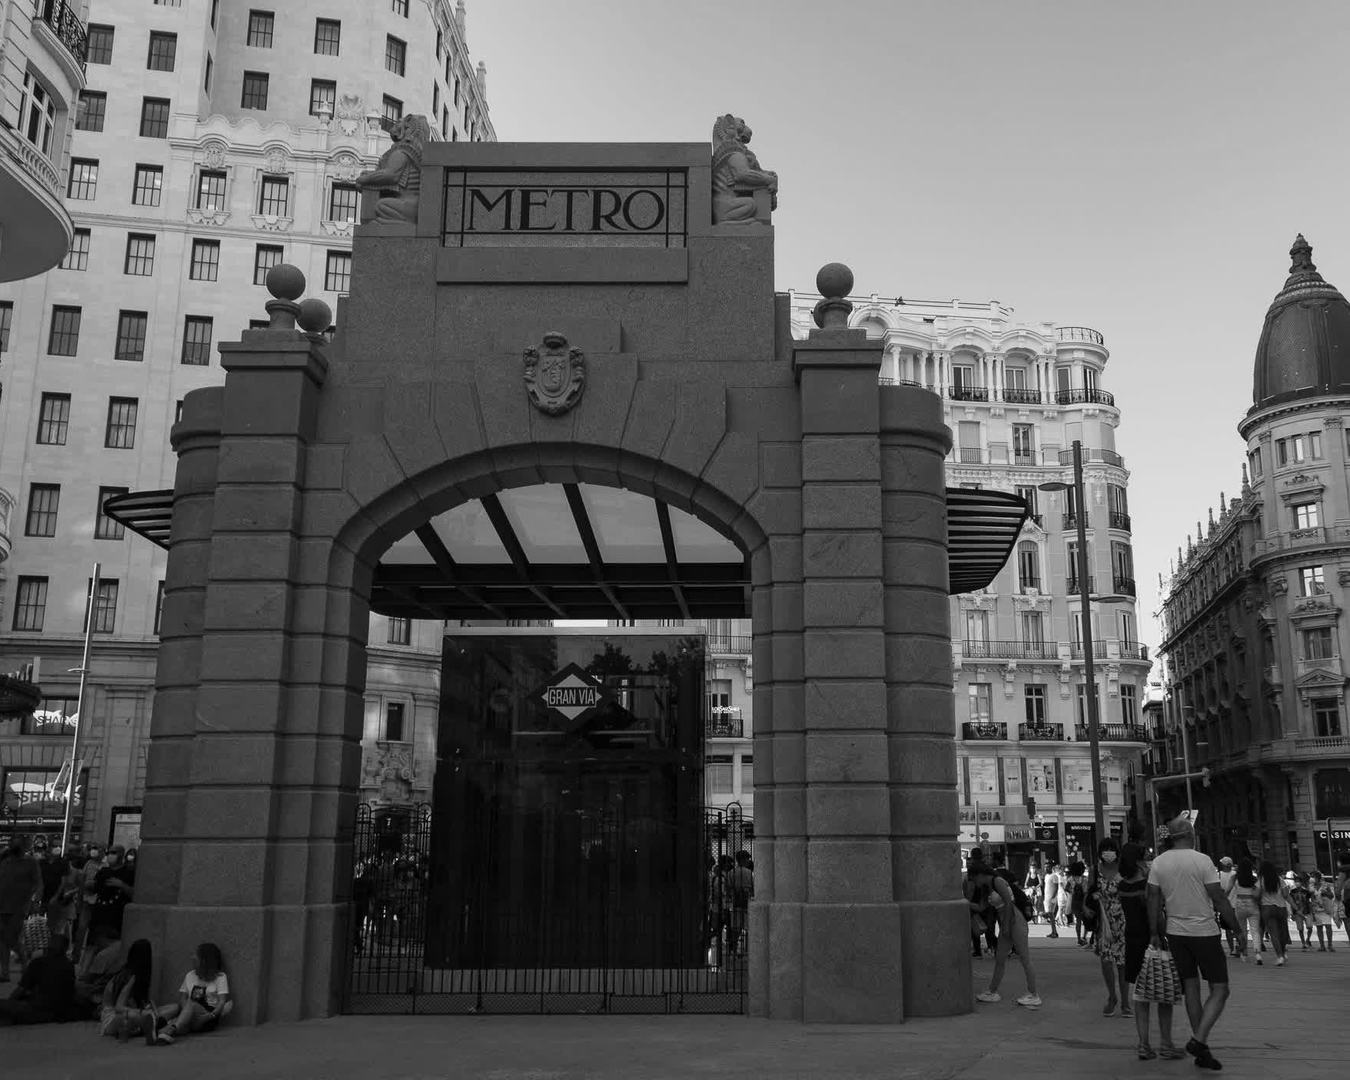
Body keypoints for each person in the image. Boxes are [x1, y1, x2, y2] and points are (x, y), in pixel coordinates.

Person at [1146, 814, 1239, 1071]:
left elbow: (1153, 898)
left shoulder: (1159, 862)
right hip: (1205, 933)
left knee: (1191, 988)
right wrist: (1237, 929)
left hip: (1175, 933)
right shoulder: (1203, 860)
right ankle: (1198, 1040)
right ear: (1189, 834)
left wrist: (1154, 931)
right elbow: (1218, 898)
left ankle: (1202, 1049)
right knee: (1220, 989)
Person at [1119, 841, 1183, 1061]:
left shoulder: (1122, 885)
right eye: (1145, 856)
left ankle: (1143, 1044)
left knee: (1141, 994)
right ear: (1138, 861)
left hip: (1132, 941)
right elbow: (1155, 914)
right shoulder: (1146, 885)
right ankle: (1166, 1043)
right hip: (1151, 939)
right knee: (1164, 992)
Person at [970, 859, 1041, 1008]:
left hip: (1014, 922)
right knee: (1000, 958)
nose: (973, 881)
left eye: (973, 878)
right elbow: (981, 907)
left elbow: (1009, 903)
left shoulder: (998, 881)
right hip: (1007, 924)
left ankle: (1033, 994)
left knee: (1024, 958)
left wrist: (1006, 926)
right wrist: (963, 902)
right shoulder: (988, 887)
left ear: (980, 875)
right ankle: (992, 991)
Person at [1086, 837, 1130, 1018]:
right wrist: (1089, 904)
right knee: (1106, 961)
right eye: (1105, 849)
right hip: (1103, 922)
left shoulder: (1125, 869)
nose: (1109, 852)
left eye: (1112, 849)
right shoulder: (1095, 870)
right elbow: (1088, 893)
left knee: (1122, 963)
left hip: (1123, 920)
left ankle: (1126, 1002)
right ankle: (1112, 997)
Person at [152, 942, 230, 1044]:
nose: (193, 957)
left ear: (204, 960)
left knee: (192, 1003)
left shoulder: (220, 977)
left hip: (207, 1016)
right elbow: (182, 998)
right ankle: (162, 1033)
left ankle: (171, 1027)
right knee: (186, 1013)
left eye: (196, 955)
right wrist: (187, 1012)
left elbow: (221, 1002)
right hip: (189, 1013)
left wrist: (211, 1015)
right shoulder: (190, 975)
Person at [0, 933, 76, 1025]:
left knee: (7, 1005)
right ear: (65, 949)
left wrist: (9, 1003)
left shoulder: (38, 962)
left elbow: (21, 990)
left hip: (38, 1010)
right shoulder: (69, 965)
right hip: (61, 1012)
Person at [0, 836, 42, 983]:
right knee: (3, 939)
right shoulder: (5, 862)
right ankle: (5, 972)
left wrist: (35, 901)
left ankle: (26, 964)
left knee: (10, 937)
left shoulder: (30, 863)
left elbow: (38, 883)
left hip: (19, 906)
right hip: (2, 905)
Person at [99, 938, 154, 1039]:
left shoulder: (140, 977)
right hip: (112, 1018)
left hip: (131, 1013)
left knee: (174, 1007)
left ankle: (151, 1025)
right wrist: (141, 1011)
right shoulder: (128, 976)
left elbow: (146, 999)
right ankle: (153, 1027)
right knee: (134, 1016)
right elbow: (119, 1007)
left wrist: (153, 1010)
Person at [1256, 861, 1289, 966]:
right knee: (1283, 933)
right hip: (1281, 908)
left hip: (1267, 908)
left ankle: (1279, 957)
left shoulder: (1260, 881)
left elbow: (1256, 894)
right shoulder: (1280, 880)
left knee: (1274, 934)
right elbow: (1285, 894)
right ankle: (1283, 953)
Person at [1231, 858, 1261, 962]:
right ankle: (1258, 954)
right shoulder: (1254, 879)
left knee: (1242, 930)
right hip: (1252, 904)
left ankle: (1244, 953)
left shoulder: (1235, 878)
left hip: (1239, 904)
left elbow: (1226, 890)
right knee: (1255, 931)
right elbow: (1258, 893)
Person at [1307, 871, 1337, 951]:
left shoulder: (1325, 885)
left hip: (1325, 909)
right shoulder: (1310, 886)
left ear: (1318, 878)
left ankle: (1330, 945)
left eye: (1313, 877)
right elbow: (1307, 896)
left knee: (1328, 927)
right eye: (1311, 877)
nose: (1312, 878)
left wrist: (1326, 893)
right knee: (1319, 927)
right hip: (1315, 909)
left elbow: (1331, 896)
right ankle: (1322, 946)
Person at [1217, 857, 1237, 956]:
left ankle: (1232, 949)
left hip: (1225, 905)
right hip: (1237, 904)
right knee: (1238, 927)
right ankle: (1239, 947)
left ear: (1223, 864)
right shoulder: (1236, 875)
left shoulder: (1219, 875)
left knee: (1228, 929)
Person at [1043, 863, 1062, 937]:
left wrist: (1053, 897)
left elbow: (1056, 888)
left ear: (1051, 868)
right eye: (1045, 867)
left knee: (1050, 915)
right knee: (1050, 916)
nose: (1046, 869)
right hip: (1046, 897)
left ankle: (1054, 932)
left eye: (1047, 867)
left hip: (1051, 898)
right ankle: (1053, 931)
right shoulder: (1046, 876)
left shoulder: (1054, 876)